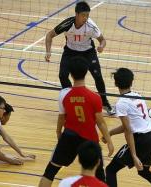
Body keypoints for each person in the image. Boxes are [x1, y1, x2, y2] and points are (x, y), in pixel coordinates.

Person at [38, 56, 114, 187]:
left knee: (50, 171)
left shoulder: (64, 94)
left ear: (70, 74)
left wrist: (58, 132)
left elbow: (61, 117)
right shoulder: (95, 97)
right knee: (100, 177)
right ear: (86, 72)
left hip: (69, 136)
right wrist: (109, 141)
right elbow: (100, 122)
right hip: (90, 140)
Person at [45, 1, 115, 115]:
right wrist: (48, 51)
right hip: (70, 52)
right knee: (62, 75)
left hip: (88, 52)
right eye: (83, 15)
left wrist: (101, 46)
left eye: (87, 15)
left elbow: (102, 40)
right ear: (76, 14)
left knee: (98, 76)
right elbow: (49, 35)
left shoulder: (91, 26)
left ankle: (105, 103)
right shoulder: (68, 23)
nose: (86, 18)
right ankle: (71, 99)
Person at [104, 68, 151, 187]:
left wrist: (133, 155)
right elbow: (129, 125)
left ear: (116, 83)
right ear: (131, 82)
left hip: (140, 141)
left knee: (111, 170)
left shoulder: (121, 103)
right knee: (144, 172)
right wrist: (110, 133)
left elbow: (128, 130)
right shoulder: (138, 96)